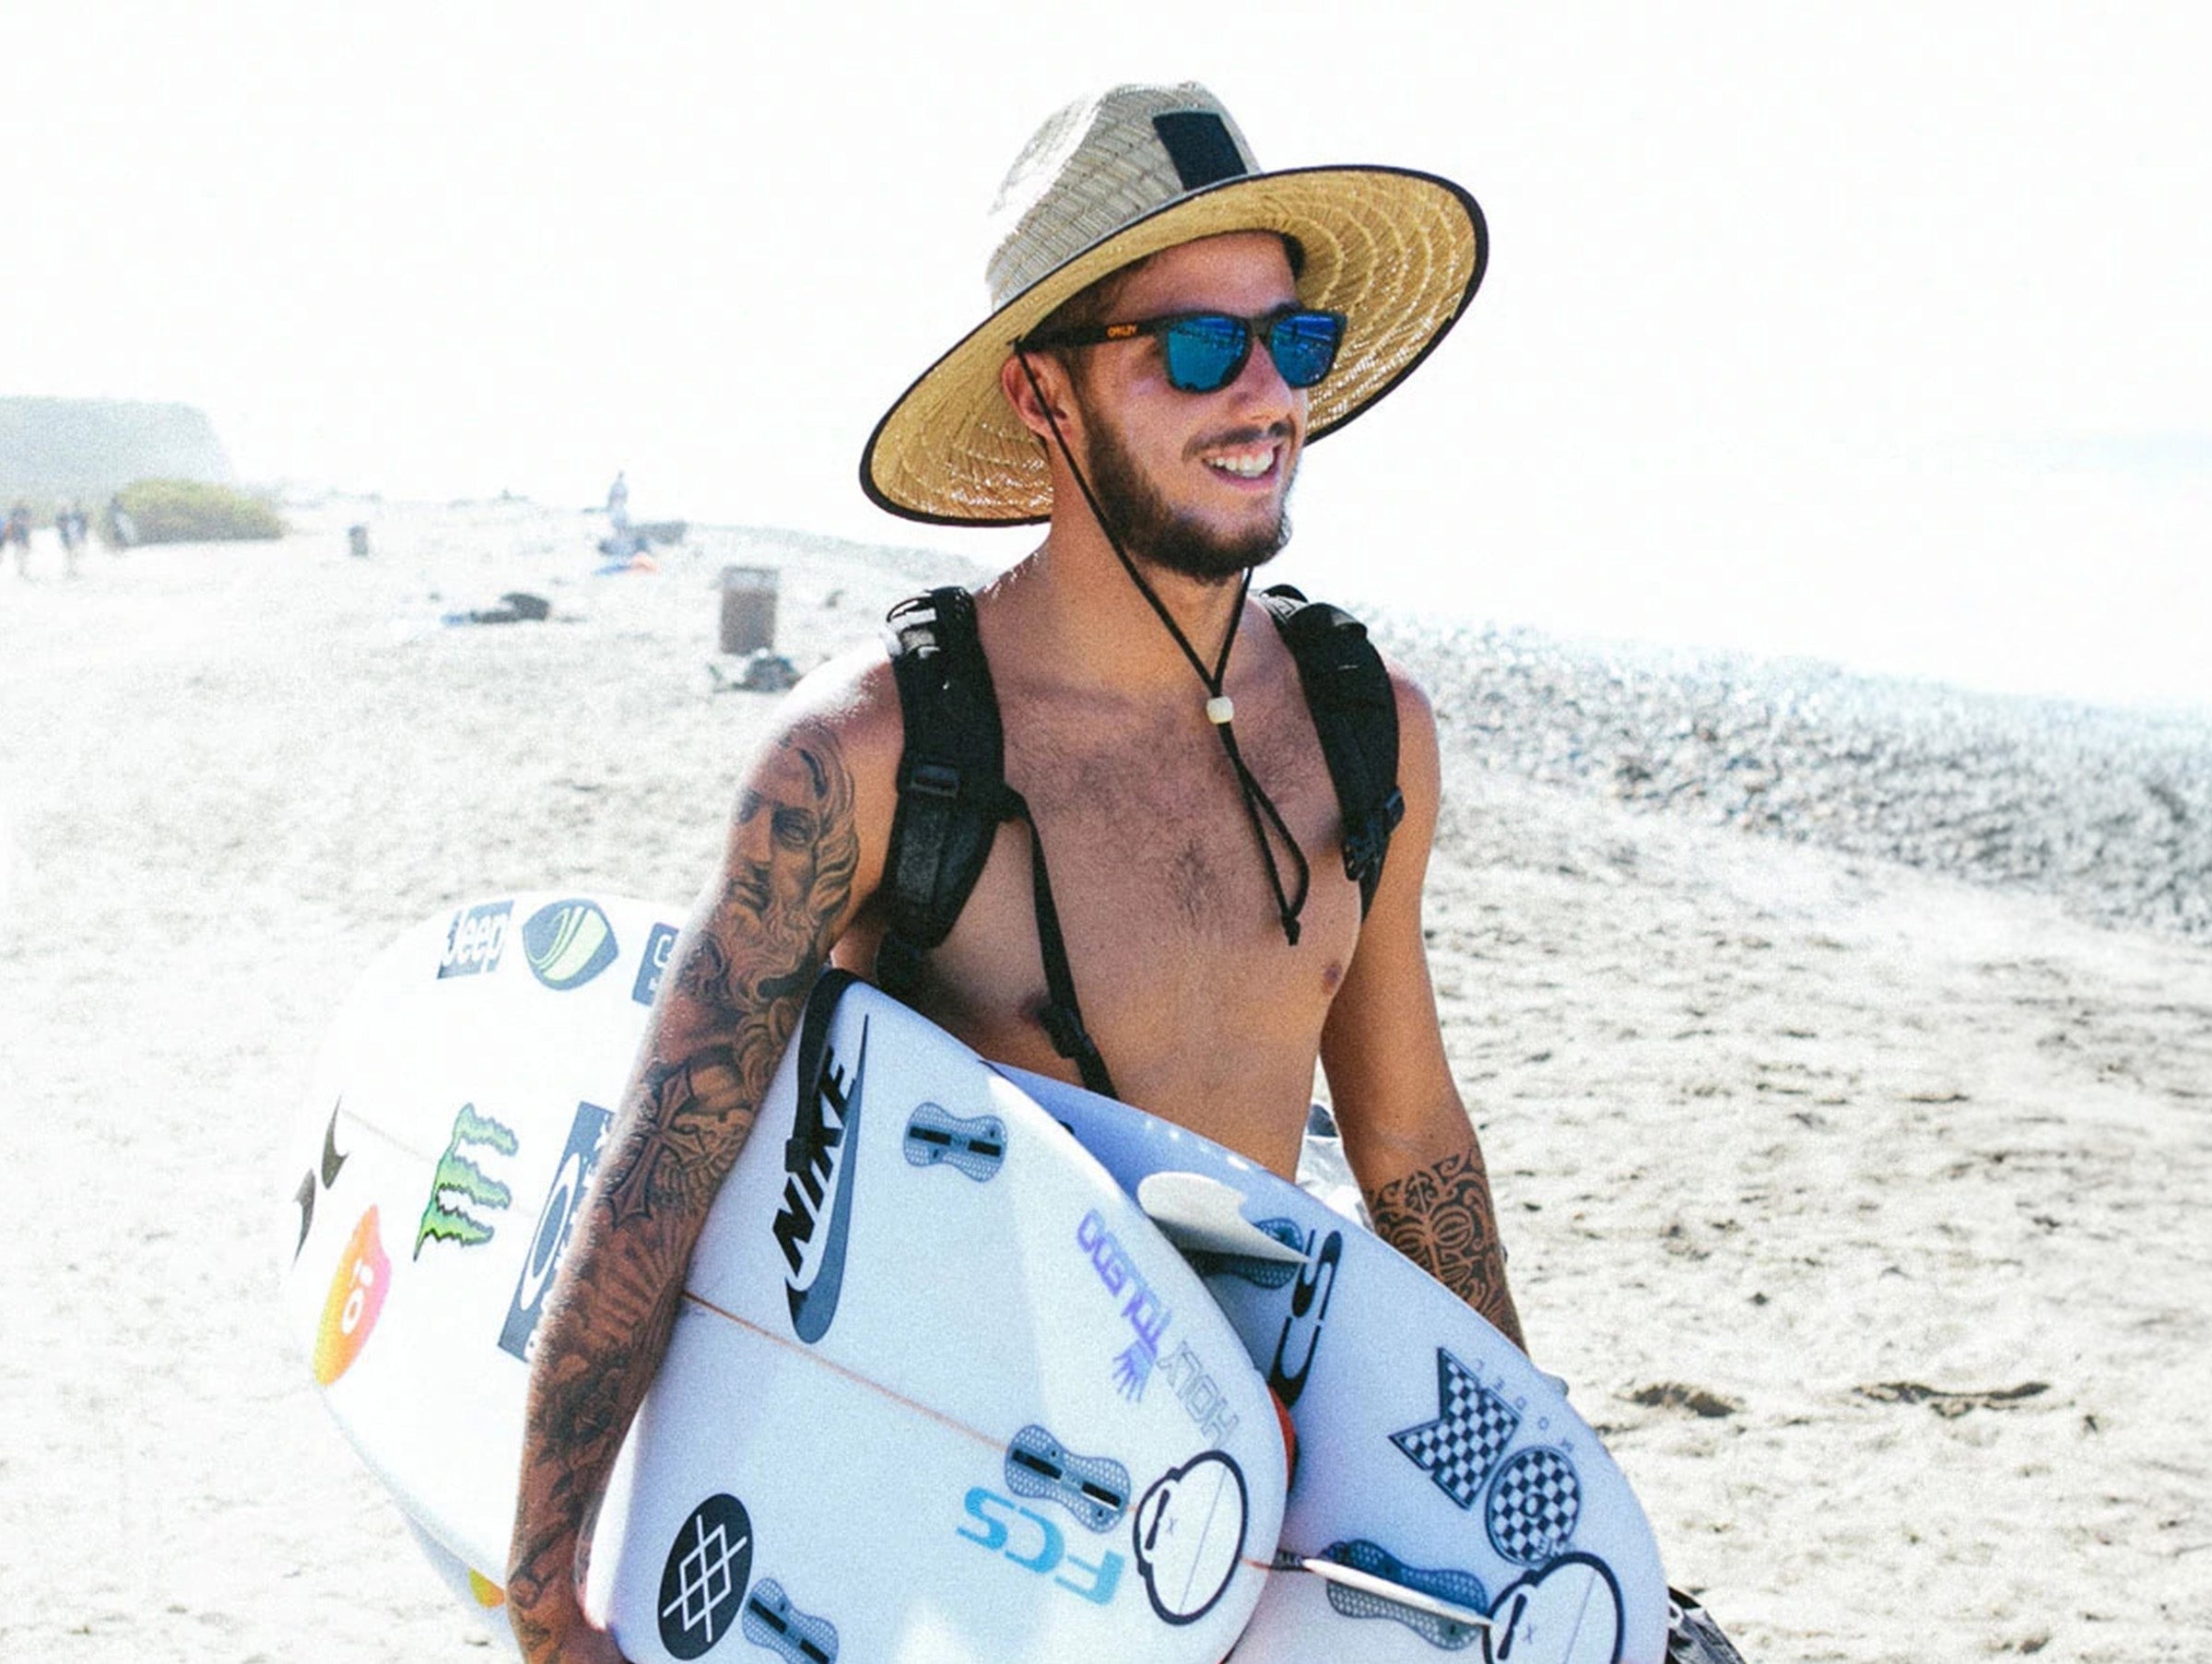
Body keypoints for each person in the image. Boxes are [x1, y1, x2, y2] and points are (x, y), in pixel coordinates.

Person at [509, 83, 1515, 1661]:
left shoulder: (1361, 733)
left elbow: (1407, 1140)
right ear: (1044, 396)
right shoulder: (867, 764)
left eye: (1290, 342)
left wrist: (1520, 1506)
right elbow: (663, 1172)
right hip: (931, 1522)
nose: (1264, 395)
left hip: (1226, 1516)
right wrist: (544, 1589)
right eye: (1195, 347)